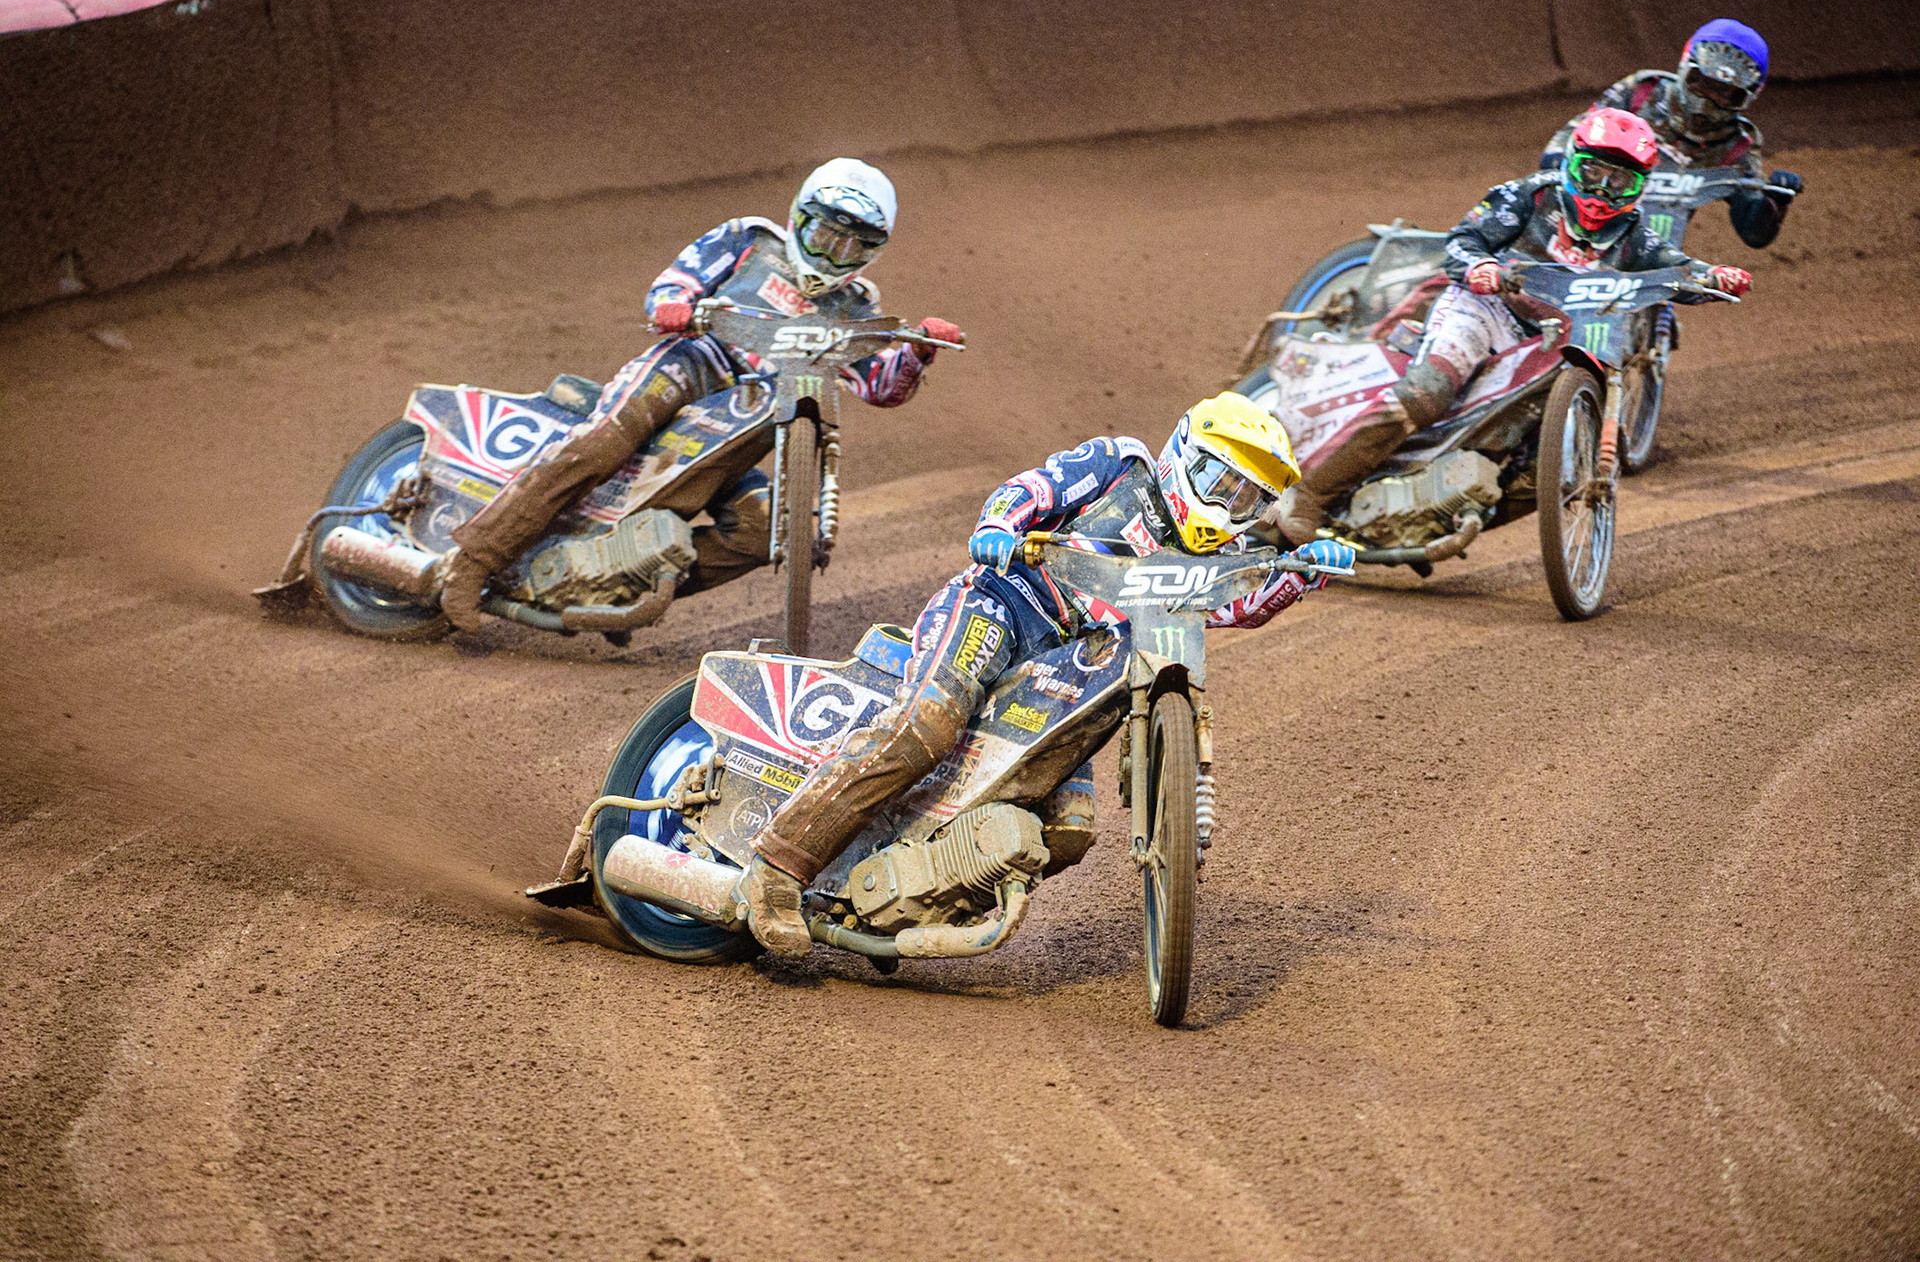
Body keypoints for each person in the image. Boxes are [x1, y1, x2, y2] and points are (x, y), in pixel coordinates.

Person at [733, 392, 1356, 957]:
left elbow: (1237, 607)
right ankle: (777, 870)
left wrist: (1300, 574)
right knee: (931, 719)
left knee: (1067, 828)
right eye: (1219, 480)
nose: (1227, 506)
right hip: (1001, 605)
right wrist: (1000, 526)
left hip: (1072, 671)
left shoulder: (1212, 558)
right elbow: (1032, 486)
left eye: (1246, 498)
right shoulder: (1124, 466)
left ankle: (900, 907)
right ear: (1183, 455)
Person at [439, 158, 962, 629]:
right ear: (801, 217)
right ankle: (474, 561)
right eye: (826, 235)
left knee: (769, 531)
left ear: (873, 251)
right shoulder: (749, 240)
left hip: (756, 415)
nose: (833, 254)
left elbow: (879, 385)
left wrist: (919, 354)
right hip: (694, 363)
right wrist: (675, 306)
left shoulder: (856, 306)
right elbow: (673, 284)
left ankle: (619, 586)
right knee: (603, 441)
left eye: (853, 246)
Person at [1278, 108, 1752, 545]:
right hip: (1484, 309)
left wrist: (1712, 277)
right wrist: (1482, 266)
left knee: (1534, 459)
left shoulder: (1634, 236)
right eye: (1593, 173)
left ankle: (1427, 510)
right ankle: (1311, 494)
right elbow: (1463, 240)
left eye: (1620, 182)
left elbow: (1675, 269)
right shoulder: (1529, 196)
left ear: (1640, 189)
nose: (1602, 192)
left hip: (1547, 340)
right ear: (1573, 163)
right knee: (1431, 390)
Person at [1539, 18, 1802, 249]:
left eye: (1725, 93)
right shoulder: (1643, 93)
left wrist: (1775, 200)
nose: (1707, 100)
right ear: (1685, 68)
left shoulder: (1736, 143)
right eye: (1702, 83)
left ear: (1747, 98)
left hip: (1648, 247)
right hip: (1583, 213)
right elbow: (1564, 144)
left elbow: (1752, 231)